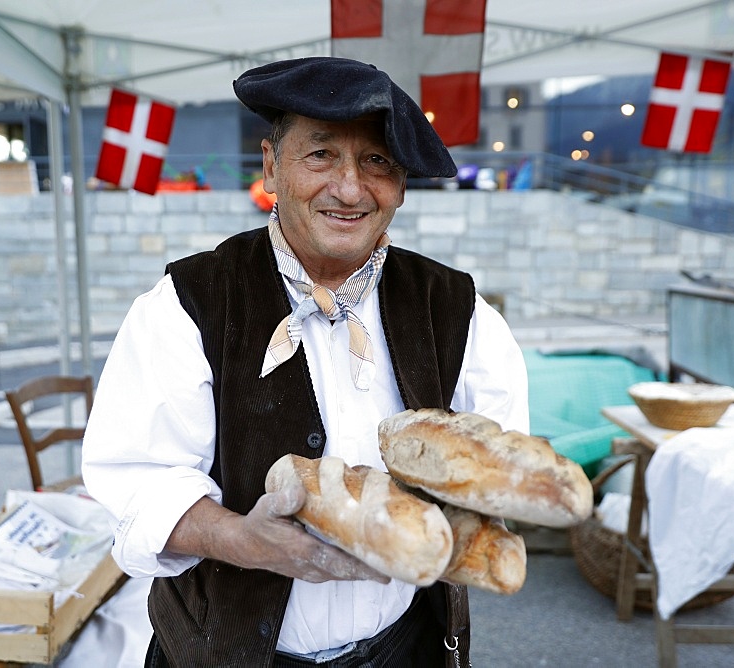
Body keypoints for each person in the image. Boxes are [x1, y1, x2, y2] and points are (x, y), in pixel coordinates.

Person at [82, 56, 529, 667]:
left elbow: (501, 461)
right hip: (228, 655)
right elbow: (139, 478)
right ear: (272, 166)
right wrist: (244, 540)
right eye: (321, 156)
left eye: (377, 161)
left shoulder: (455, 308)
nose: (349, 188)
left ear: (399, 186)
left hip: (408, 649)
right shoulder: (190, 303)